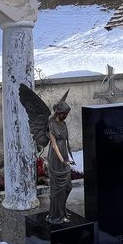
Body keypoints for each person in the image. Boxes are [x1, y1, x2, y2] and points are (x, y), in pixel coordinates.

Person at [46, 91, 75, 223]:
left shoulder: (63, 124)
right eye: (65, 114)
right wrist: (63, 160)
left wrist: (70, 156)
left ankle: (62, 209)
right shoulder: (51, 124)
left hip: (64, 155)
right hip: (56, 158)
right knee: (58, 188)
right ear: (59, 112)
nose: (66, 116)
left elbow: (67, 142)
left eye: (67, 114)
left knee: (68, 186)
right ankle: (56, 215)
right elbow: (54, 145)